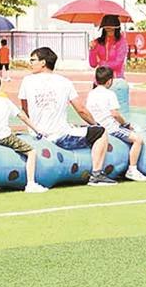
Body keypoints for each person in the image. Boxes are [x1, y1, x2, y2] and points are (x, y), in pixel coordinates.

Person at [18, 47, 116, 186]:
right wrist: (96, 124)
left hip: (36, 136)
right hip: (60, 137)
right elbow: (81, 110)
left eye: (33, 60)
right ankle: (97, 174)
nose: (30, 63)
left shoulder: (27, 81)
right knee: (100, 132)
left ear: (43, 62)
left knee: (77, 128)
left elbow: (25, 109)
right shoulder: (64, 82)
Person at [86, 66, 146, 182]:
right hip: (111, 128)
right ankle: (132, 169)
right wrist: (126, 124)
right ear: (109, 81)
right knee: (138, 139)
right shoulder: (110, 94)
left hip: (96, 127)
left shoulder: (91, 94)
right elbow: (115, 114)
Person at [0, 73, 48, 193]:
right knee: (31, 152)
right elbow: (22, 116)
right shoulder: (5, 101)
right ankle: (31, 183)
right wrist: (37, 130)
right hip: (4, 137)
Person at [89, 15, 128, 79]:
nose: (109, 31)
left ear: (117, 28)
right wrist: (92, 50)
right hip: (100, 79)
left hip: (116, 79)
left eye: (111, 29)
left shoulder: (121, 42)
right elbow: (93, 64)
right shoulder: (98, 42)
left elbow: (118, 63)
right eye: (106, 29)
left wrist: (102, 64)